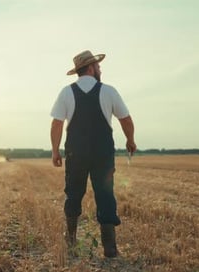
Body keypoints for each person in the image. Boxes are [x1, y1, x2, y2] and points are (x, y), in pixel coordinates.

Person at [50, 50, 136, 258]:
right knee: (105, 195)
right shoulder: (109, 91)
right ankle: (110, 248)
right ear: (90, 68)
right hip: (102, 153)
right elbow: (125, 119)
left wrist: (55, 150)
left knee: (73, 194)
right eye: (97, 66)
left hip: (76, 152)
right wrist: (130, 140)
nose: (100, 68)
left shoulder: (66, 92)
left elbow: (57, 123)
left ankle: (70, 241)